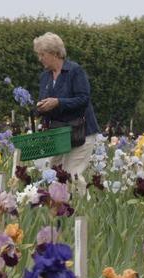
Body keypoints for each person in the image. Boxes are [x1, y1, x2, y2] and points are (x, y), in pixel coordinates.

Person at [34, 32, 99, 190]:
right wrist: (40, 108)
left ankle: (84, 208)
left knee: (71, 175)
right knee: (51, 172)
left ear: (54, 53)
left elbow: (83, 99)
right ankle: (59, 209)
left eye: (42, 54)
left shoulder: (75, 71)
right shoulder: (45, 77)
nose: (40, 58)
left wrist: (58, 102)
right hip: (59, 133)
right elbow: (47, 103)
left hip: (81, 132)